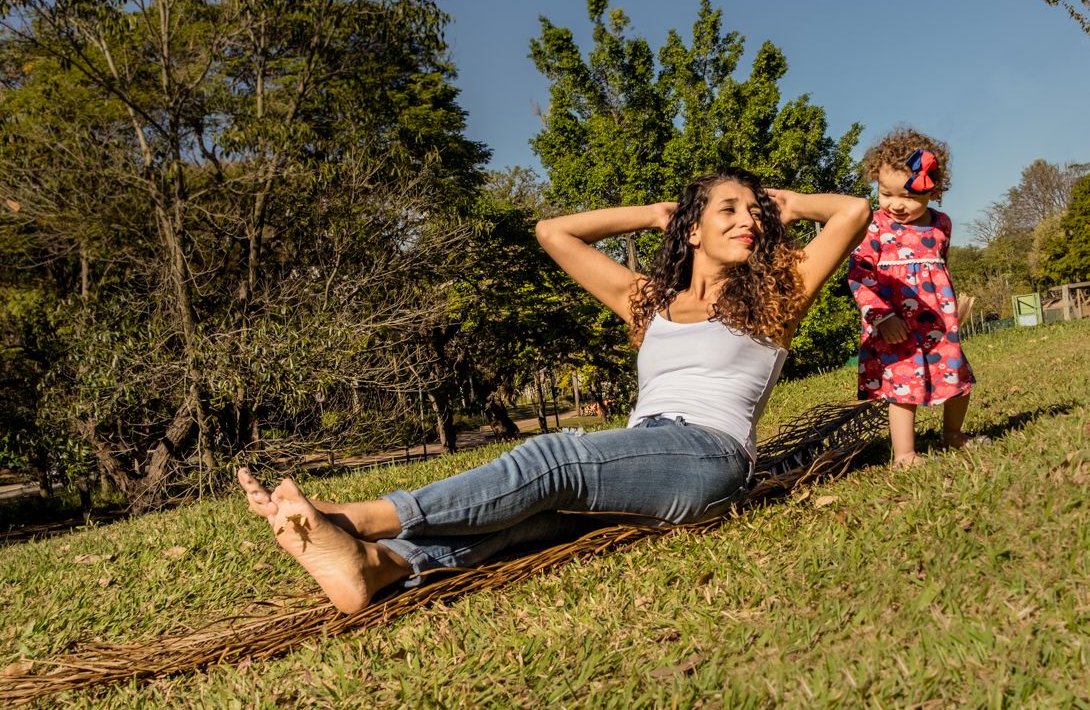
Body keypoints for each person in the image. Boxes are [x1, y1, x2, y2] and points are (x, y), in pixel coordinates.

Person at [239, 169, 871, 613]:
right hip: (640, 451)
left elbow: (852, 211)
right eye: (727, 210)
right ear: (693, 230)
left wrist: (781, 202)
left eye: (754, 211)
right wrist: (656, 215)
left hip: (710, 455)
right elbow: (552, 232)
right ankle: (379, 566)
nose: (748, 219)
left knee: (554, 457)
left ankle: (354, 518)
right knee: (531, 516)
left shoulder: (778, 290)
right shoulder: (646, 302)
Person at [847, 128, 978, 466]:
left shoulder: (942, 225)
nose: (895, 205)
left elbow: (939, 270)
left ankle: (952, 435)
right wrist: (881, 317)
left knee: (958, 378)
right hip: (895, 325)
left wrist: (951, 307)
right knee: (902, 388)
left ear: (933, 190)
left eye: (907, 196)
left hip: (938, 324)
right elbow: (860, 276)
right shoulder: (874, 226)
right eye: (885, 193)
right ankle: (905, 454)